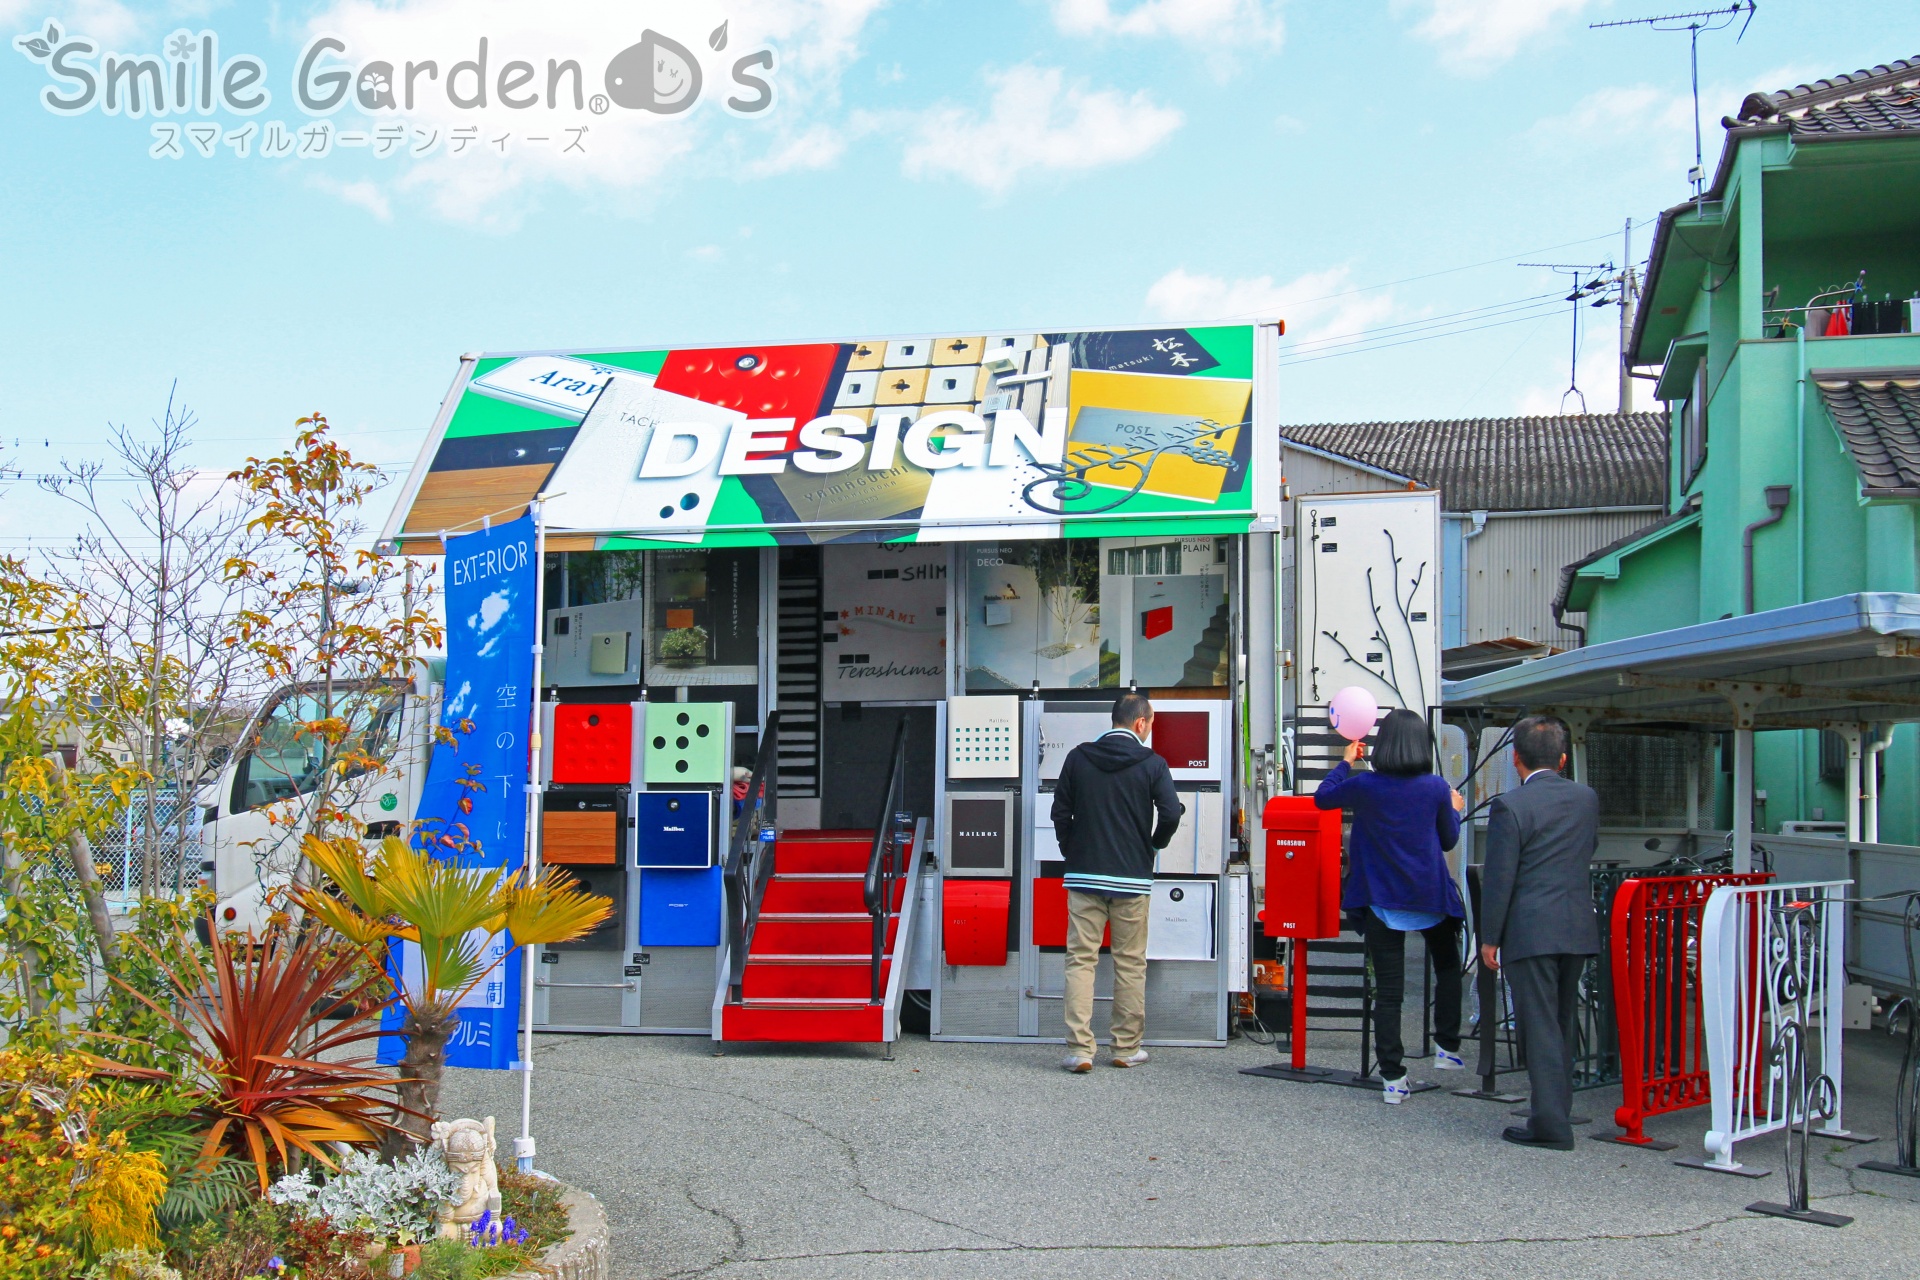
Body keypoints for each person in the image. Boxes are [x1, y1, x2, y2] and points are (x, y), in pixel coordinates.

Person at [1314, 708, 1468, 1103]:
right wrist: (1453, 807)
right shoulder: (1435, 788)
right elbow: (1448, 841)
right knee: (1449, 968)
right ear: (1421, 745)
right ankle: (1447, 1047)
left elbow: (1323, 798)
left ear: (1384, 745)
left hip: (1381, 898)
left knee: (1389, 993)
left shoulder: (1367, 785)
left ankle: (1393, 1079)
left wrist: (1346, 761)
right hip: (1430, 897)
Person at [1479, 714, 1599, 1151]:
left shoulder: (1511, 806)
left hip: (1530, 929)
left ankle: (1549, 1122)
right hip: (1575, 924)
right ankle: (1556, 1108)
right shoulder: (1586, 799)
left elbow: (1499, 877)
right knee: (1562, 1021)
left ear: (1515, 760)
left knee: (1539, 1024)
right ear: (1563, 759)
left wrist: (1490, 937)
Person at [1050, 691, 1181, 1072]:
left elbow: (1061, 812)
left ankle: (1079, 1050)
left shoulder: (1078, 758)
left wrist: (1071, 851)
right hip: (1131, 878)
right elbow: (1170, 811)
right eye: (1151, 723)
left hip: (1084, 874)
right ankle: (1125, 1047)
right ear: (1140, 723)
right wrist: (1154, 845)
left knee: (1081, 960)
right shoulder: (1152, 763)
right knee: (1129, 962)